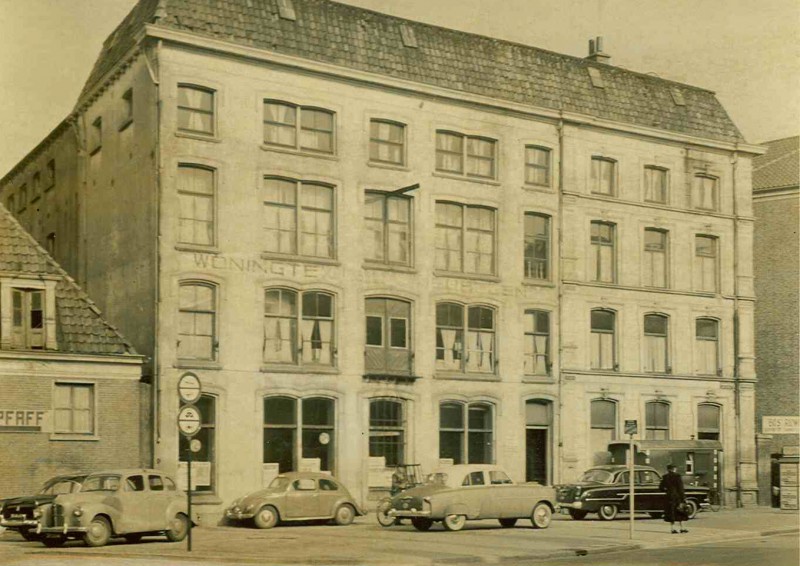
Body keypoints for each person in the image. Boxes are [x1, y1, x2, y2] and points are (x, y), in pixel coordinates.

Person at [659, 464, 688, 533]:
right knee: (680, 511)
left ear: (668, 469)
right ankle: (682, 528)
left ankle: (672, 528)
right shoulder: (677, 476)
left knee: (671, 512)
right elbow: (681, 488)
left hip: (669, 497)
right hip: (677, 497)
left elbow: (661, 488)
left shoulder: (665, 477)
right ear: (674, 469)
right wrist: (683, 498)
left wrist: (667, 491)